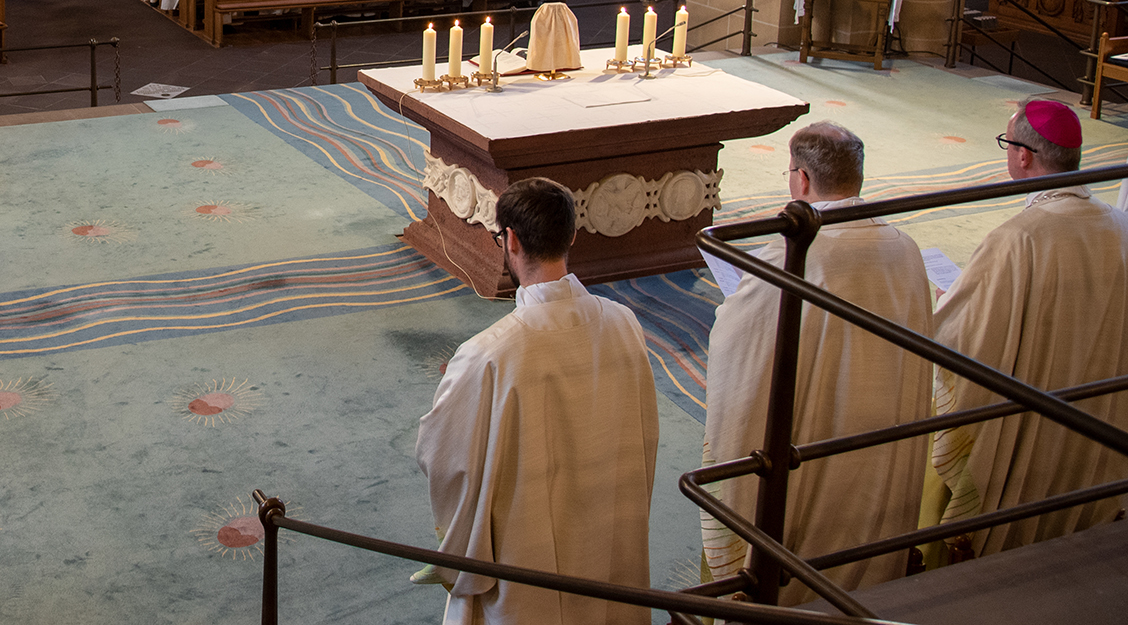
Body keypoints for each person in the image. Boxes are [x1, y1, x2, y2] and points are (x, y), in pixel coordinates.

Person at [700, 122, 931, 601]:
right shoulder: (905, 248)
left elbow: (736, 344)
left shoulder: (797, 250)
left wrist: (734, 307)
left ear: (801, 179)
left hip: (814, 431)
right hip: (881, 427)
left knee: (799, 523)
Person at [416, 178, 658, 625]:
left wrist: (458, 391)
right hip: (608, 531)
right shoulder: (625, 324)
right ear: (571, 236)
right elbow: (645, 436)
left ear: (509, 240)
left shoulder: (488, 353)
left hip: (524, 554)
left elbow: (443, 457)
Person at [927, 98, 1128, 558]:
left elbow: (963, 337)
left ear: (1023, 156)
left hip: (1035, 409)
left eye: (1006, 143)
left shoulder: (1019, 237)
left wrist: (952, 303)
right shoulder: (1121, 226)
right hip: (1100, 405)